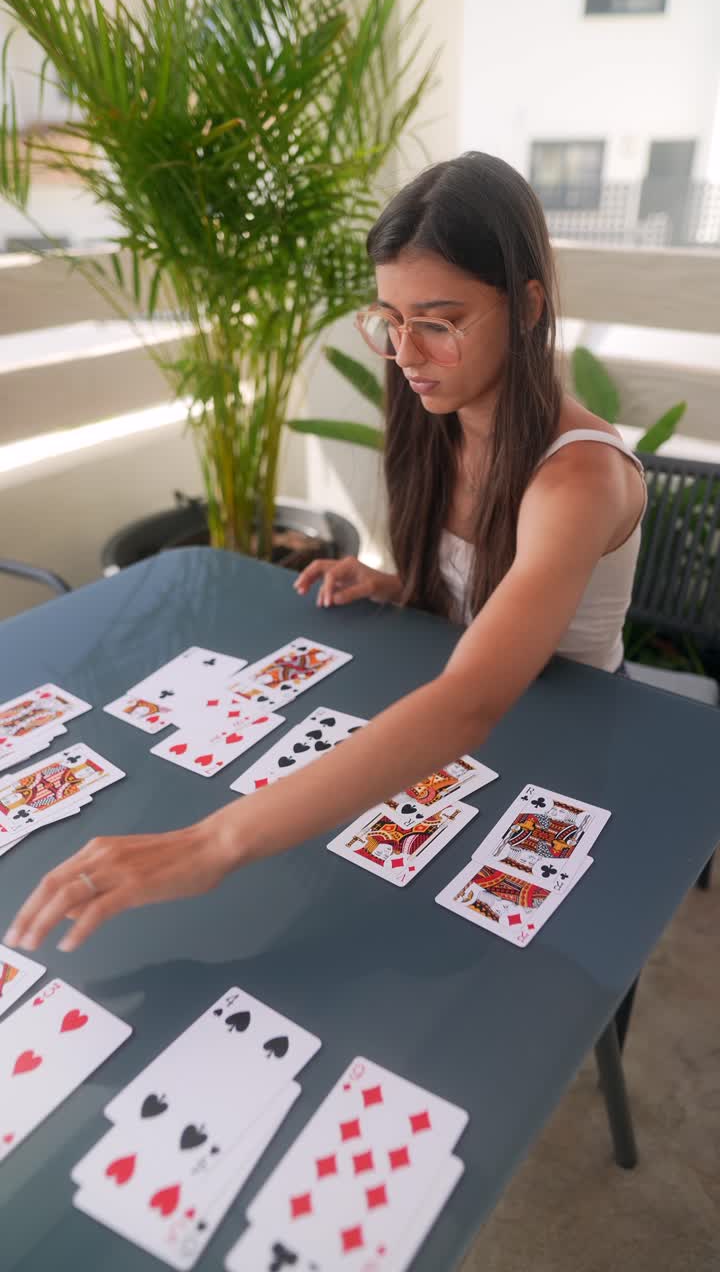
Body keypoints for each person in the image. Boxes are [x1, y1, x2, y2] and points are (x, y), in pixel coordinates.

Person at [3, 151, 646, 955]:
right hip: (469, 732)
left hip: (568, 747)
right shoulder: (440, 417)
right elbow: (479, 601)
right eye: (390, 319)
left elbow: (469, 702)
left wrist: (210, 845)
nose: (407, 354)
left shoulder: (579, 477)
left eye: (439, 322)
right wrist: (398, 582)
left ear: (525, 306)